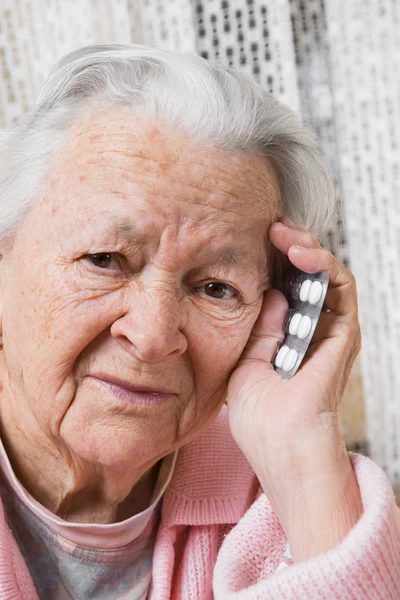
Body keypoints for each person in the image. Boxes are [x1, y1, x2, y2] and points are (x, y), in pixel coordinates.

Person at [0, 43, 398, 600]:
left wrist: (303, 462)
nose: (153, 335)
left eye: (216, 288)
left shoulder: (285, 497)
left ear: (273, 314)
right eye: (105, 259)